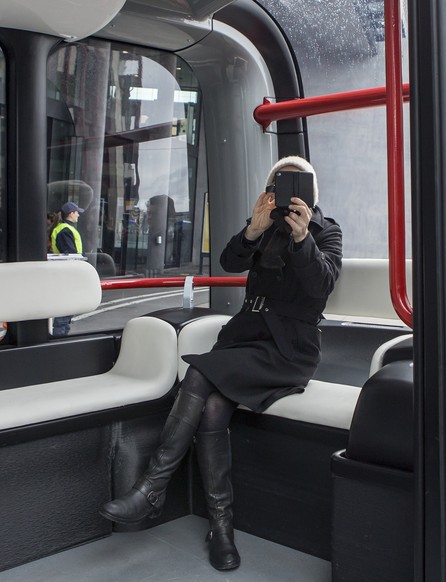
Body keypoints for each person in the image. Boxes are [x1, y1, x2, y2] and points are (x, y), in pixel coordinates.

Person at [99, 156, 343, 571]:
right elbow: (230, 261)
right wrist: (253, 228)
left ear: (312, 190)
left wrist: (304, 241)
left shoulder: (326, 230)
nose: (288, 192)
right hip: (246, 340)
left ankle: (152, 488)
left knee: (198, 371)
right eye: (278, 183)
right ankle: (221, 528)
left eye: (297, 184)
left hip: (290, 349)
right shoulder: (264, 228)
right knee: (212, 407)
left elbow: (322, 286)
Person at [50, 202, 85, 336]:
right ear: (71, 214)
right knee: (65, 310)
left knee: (67, 308)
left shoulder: (64, 228)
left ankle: (62, 334)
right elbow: (71, 252)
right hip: (68, 273)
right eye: (76, 212)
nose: (78, 215)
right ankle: (59, 337)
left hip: (67, 272)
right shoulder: (65, 230)